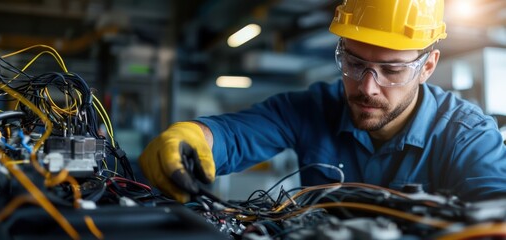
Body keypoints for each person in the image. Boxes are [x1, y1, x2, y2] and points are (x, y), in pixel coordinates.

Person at [139, 0, 506, 203]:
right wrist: (193, 135)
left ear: (427, 66)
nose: (368, 87)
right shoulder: (313, 108)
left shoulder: (468, 137)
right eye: (354, 64)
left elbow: (496, 214)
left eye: (391, 70)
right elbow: (234, 135)